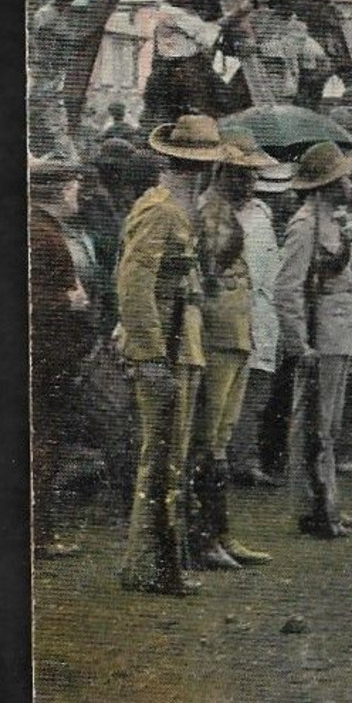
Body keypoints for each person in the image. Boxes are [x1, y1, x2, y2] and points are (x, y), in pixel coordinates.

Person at [116, 115, 222, 596]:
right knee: (160, 460)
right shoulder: (160, 211)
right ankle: (151, 565)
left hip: (183, 344)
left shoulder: (179, 209)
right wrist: (151, 357)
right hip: (165, 347)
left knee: (170, 457)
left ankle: (160, 563)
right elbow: (134, 286)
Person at [189, 128, 279, 570]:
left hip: (239, 334)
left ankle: (220, 534)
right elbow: (206, 280)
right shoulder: (208, 214)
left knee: (221, 442)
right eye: (242, 174)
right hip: (216, 337)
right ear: (222, 171)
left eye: (253, 176)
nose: (251, 183)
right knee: (209, 443)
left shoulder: (236, 214)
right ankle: (205, 537)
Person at [275, 141, 352, 539]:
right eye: (343, 175)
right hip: (320, 336)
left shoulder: (333, 222)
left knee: (329, 424)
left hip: (339, 333)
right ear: (328, 183)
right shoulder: (305, 225)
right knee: (315, 426)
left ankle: (329, 505)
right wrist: (299, 344)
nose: (350, 182)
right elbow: (287, 288)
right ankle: (315, 509)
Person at [30, 159, 96, 559]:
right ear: (56, 192)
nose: (78, 194)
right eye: (73, 187)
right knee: (44, 444)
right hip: (47, 356)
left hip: (50, 355)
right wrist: (69, 301)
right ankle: (40, 534)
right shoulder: (41, 233)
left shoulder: (45, 229)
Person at [228, 161, 287, 487]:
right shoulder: (225, 217)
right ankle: (239, 462)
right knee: (240, 396)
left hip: (264, 316)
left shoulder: (263, 218)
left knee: (257, 396)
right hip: (240, 312)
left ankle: (246, 460)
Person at [29, 0, 81, 160]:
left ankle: (62, 154)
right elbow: (46, 49)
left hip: (55, 74)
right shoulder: (46, 15)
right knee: (52, 116)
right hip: (46, 73)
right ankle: (67, 157)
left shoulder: (63, 15)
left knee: (53, 117)